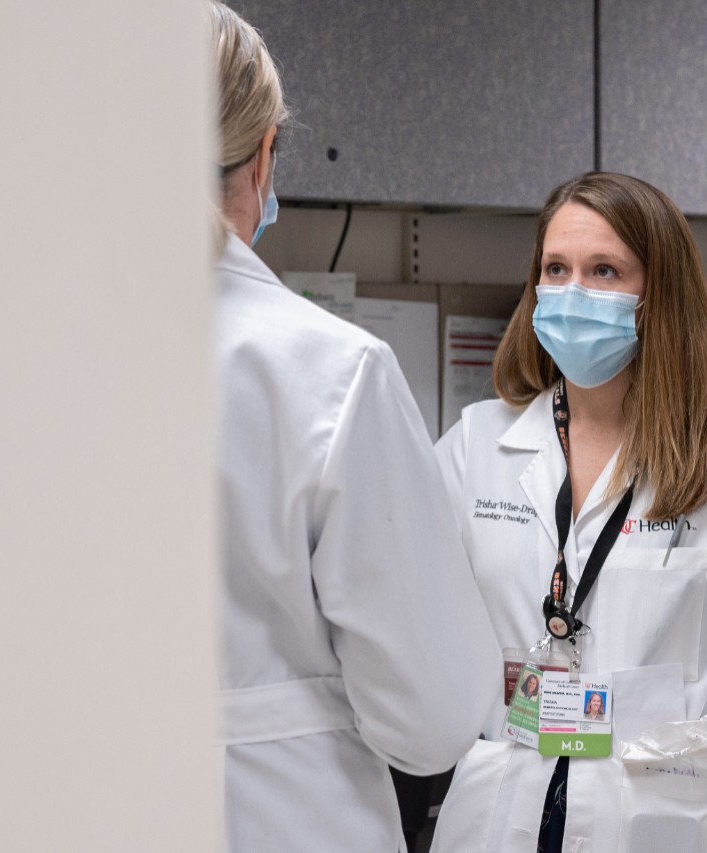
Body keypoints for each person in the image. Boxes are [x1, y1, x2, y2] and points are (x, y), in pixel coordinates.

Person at [429, 172, 707, 852]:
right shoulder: (476, 446)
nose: (573, 292)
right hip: (507, 802)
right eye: (556, 269)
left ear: (657, 294)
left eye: (604, 270)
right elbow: (420, 626)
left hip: (667, 812)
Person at [207, 4, 499, 851]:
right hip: (286, 816)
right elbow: (434, 715)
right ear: (263, 155)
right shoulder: (332, 368)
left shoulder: (6, 356)